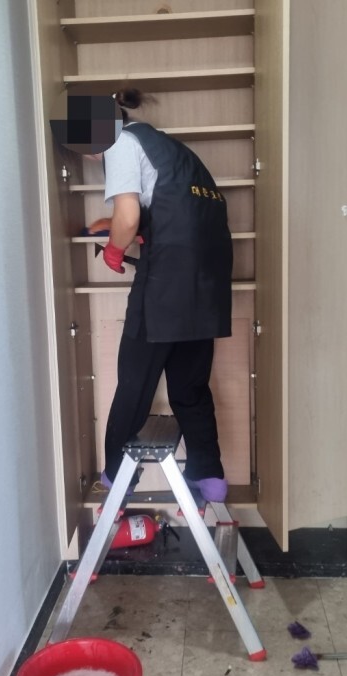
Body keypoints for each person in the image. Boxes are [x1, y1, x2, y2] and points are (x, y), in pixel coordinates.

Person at [96, 88, 233, 502]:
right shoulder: (174, 151)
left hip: (165, 282)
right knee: (190, 387)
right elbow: (169, 210)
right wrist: (124, 227)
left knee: (135, 383)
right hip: (206, 284)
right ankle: (209, 475)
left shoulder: (120, 143)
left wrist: (115, 249)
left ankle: (117, 477)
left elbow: (128, 216)